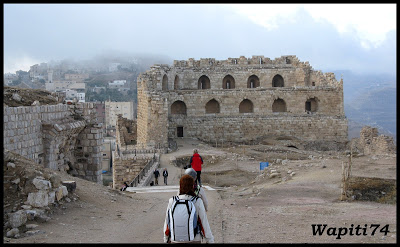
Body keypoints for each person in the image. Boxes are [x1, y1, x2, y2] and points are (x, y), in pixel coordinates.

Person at [163, 175, 214, 243]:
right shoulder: (197, 201)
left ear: (180, 186)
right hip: (194, 239)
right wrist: (210, 240)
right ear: (192, 186)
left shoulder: (172, 201)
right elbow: (204, 223)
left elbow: (167, 222)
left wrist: (166, 239)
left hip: (175, 239)